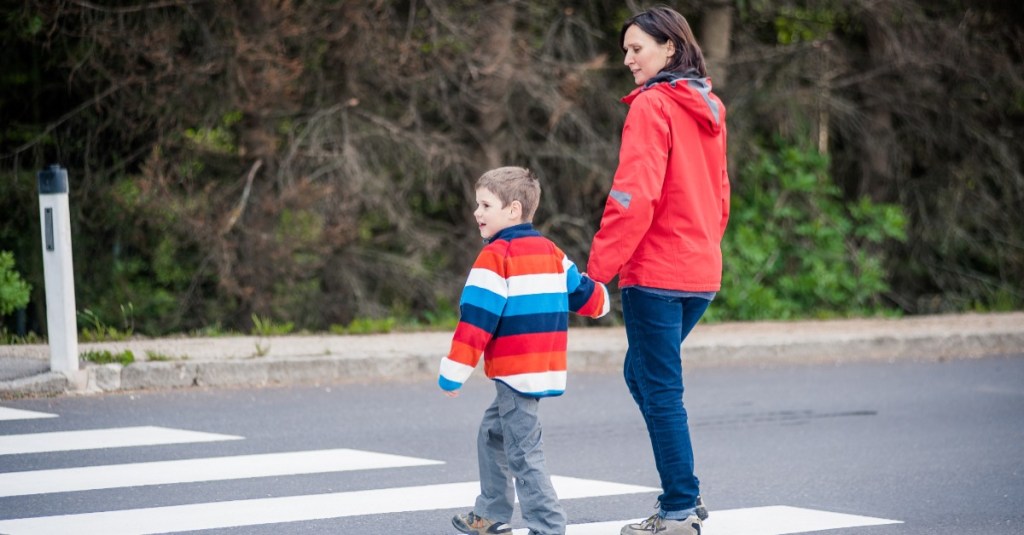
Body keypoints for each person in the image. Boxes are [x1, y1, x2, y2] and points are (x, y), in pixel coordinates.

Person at [586, 7, 730, 535]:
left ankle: (678, 508)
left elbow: (632, 196)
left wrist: (597, 271)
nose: (627, 59)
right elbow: (721, 195)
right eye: (625, 50)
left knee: (660, 388)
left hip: (657, 273)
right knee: (641, 375)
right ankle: (683, 489)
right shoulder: (708, 105)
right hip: (699, 271)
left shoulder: (652, 106)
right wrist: (704, 250)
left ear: (670, 48)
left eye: (636, 49)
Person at [439, 166, 610, 535]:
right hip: (540, 365)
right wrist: (602, 301)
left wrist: (454, 372)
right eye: (477, 205)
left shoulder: (495, 258)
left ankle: (548, 526)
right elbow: (581, 291)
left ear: (513, 210)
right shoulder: (551, 252)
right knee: (493, 434)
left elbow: (476, 321)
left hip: (515, 371)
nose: (477, 213)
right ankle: (491, 512)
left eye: (485, 205)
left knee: (523, 452)